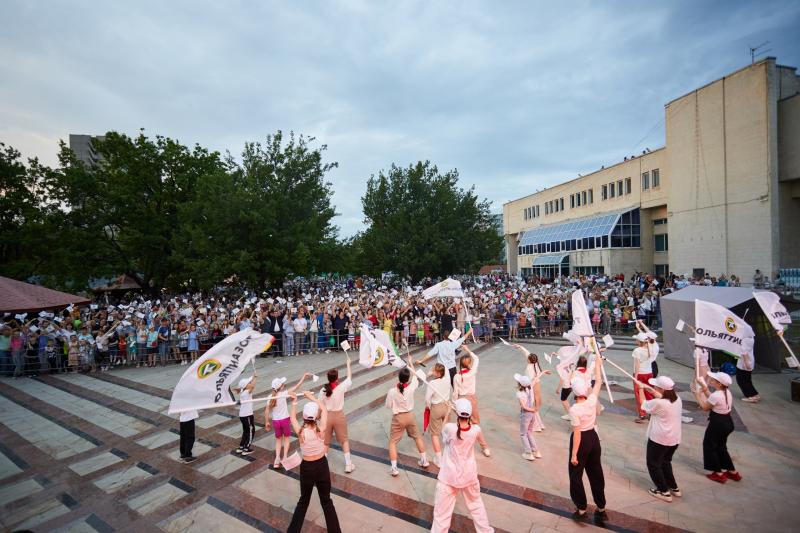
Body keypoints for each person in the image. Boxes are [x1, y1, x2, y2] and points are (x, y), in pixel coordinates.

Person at [431, 398, 493, 533]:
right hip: (469, 476)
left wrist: (448, 412)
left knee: (441, 514)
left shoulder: (450, 428)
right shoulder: (476, 430)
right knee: (476, 505)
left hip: (448, 477)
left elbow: (443, 431)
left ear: (457, 414)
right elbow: (469, 424)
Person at [287, 391, 342, 533]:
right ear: (315, 416)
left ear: (304, 417)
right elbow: (323, 408)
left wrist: (294, 400)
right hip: (322, 466)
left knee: (303, 501)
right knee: (326, 501)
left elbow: (292, 417)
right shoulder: (321, 429)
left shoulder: (300, 432)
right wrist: (311, 397)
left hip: (307, 468)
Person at [568, 354, 607, 523]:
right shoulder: (592, 399)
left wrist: (574, 455)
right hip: (594, 438)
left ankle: (582, 508)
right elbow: (598, 382)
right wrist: (597, 364)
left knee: (576, 475)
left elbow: (577, 433)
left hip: (582, 440)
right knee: (596, 473)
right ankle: (601, 507)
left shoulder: (575, 409)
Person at [636, 376, 682, 502]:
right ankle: (674, 487)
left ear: (661, 389)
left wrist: (641, 389)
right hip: (674, 439)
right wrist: (648, 388)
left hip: (659, 439)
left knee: (653, 464)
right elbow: (660, 395)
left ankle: (663, 491)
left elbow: (643, 404)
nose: (654, 387)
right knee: (665, 462)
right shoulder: (677, 398)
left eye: (656, 386)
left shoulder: (659, 403)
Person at [693, 371, 742, 483]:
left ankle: (718, 473)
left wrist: (697, 395)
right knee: (721, 447)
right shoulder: (726, 392)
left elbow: (705, 407)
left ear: (719, 384)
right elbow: (713, 399)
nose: (711, 380)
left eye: (714, 380)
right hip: (727, 422)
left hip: (718, 424)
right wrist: (705, 390)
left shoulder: (717, 395)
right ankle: (732, 472)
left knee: (709, 446)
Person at [385, 357, 429, 476]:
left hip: (398, 417)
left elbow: (388, 405)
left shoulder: (392, 391)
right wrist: (410, 362)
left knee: (393, 442)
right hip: (410, 416)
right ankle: (424, 460)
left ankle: (394, 468)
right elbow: (415, 376)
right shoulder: (411, 387)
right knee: (417, 437)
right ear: (407, 379)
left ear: (398, 378)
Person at [265, 373, 312, 468]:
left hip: (276, 421)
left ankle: (277, 459)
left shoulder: (270, 397)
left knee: (278, 440)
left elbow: (266, 411)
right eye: (283, 384)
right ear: (281, 387)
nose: (284, 385)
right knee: (286, 439)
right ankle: (285, 457)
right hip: (285, 420)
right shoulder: (284, 394)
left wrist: (267, 422)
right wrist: (303, 377)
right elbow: (297, 386)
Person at [319, 353, 355, 473]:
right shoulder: (341, 387)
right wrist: (348, 364)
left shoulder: (323, 390)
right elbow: (349, 377)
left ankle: (321, 465)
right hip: (339, 415)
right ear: (337, 378)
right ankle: (348, 465)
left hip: (327, 417)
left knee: (326, 442)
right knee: (344, 440)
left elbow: (320, 406)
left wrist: (319, 416)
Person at [425, 363, 452, 466]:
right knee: (447, 431)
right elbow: (447, 371)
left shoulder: (432, 383)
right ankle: (449, 454)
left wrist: (428, 406)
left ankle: (439, 459)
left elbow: (427, 398)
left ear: (436, 373)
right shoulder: (447, 379)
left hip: (436, 408)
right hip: (446, 406)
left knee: (435, 434)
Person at [515, 373, 541, 460]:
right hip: (532, 414)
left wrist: (533, 410)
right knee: (529, 432)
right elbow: (535, 379)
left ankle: (528, 453)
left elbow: (524, 406)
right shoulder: (530, 389)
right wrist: (543, 372)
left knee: (523, 433)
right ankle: (536, 451)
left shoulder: (519, 393)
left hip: (526, 414)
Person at [452, 345, 481, 424]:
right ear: (469, 363)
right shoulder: (472, 372)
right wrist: (467, 349)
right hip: (471, 398)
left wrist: (454, 403)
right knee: (474, 420)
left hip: (461, 399)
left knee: (462, 420)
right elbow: (476, 359)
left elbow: (455, 392)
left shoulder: (457, 376)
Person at [632, 332, 654, 423]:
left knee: (639, 394)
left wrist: (636, 377)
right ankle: (652, 412)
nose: (635, 340)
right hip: (649, 373)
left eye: (636, 339)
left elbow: (637, 365)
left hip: (640, 374)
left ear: (639, 341)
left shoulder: (637, 350)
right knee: (649, 393)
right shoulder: (650, 348)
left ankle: (642, 414)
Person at [234, 376, 256, 456]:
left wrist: (253, 377)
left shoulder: (243, 391)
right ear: (246, 386)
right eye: (248, 383)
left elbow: (248, 385)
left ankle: (241, 447)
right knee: (251, 431)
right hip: (247, 415)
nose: (250, 383)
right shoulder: (246, 392)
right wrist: (254, 378)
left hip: (243, 415)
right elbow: (252, 386)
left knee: (246, 431)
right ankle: (246, 448)